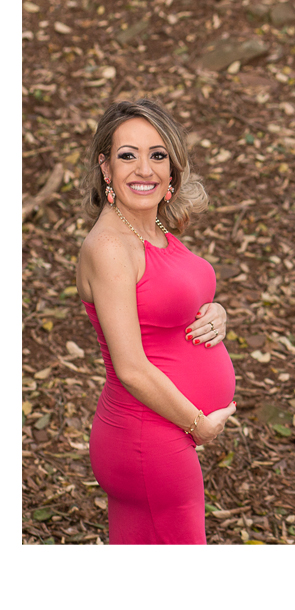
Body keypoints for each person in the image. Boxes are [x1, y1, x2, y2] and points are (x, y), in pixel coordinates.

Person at [76, 99, 237, 544]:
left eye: (157, 155)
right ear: (106, 168)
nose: (143, 169)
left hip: (158, 433)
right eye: (128, 155)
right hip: (148, 433)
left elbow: (172, 301)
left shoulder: (155, 230)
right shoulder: (110, 246)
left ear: (172, 170)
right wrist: (197, 425)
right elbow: (129, 366)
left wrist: (215, 314)